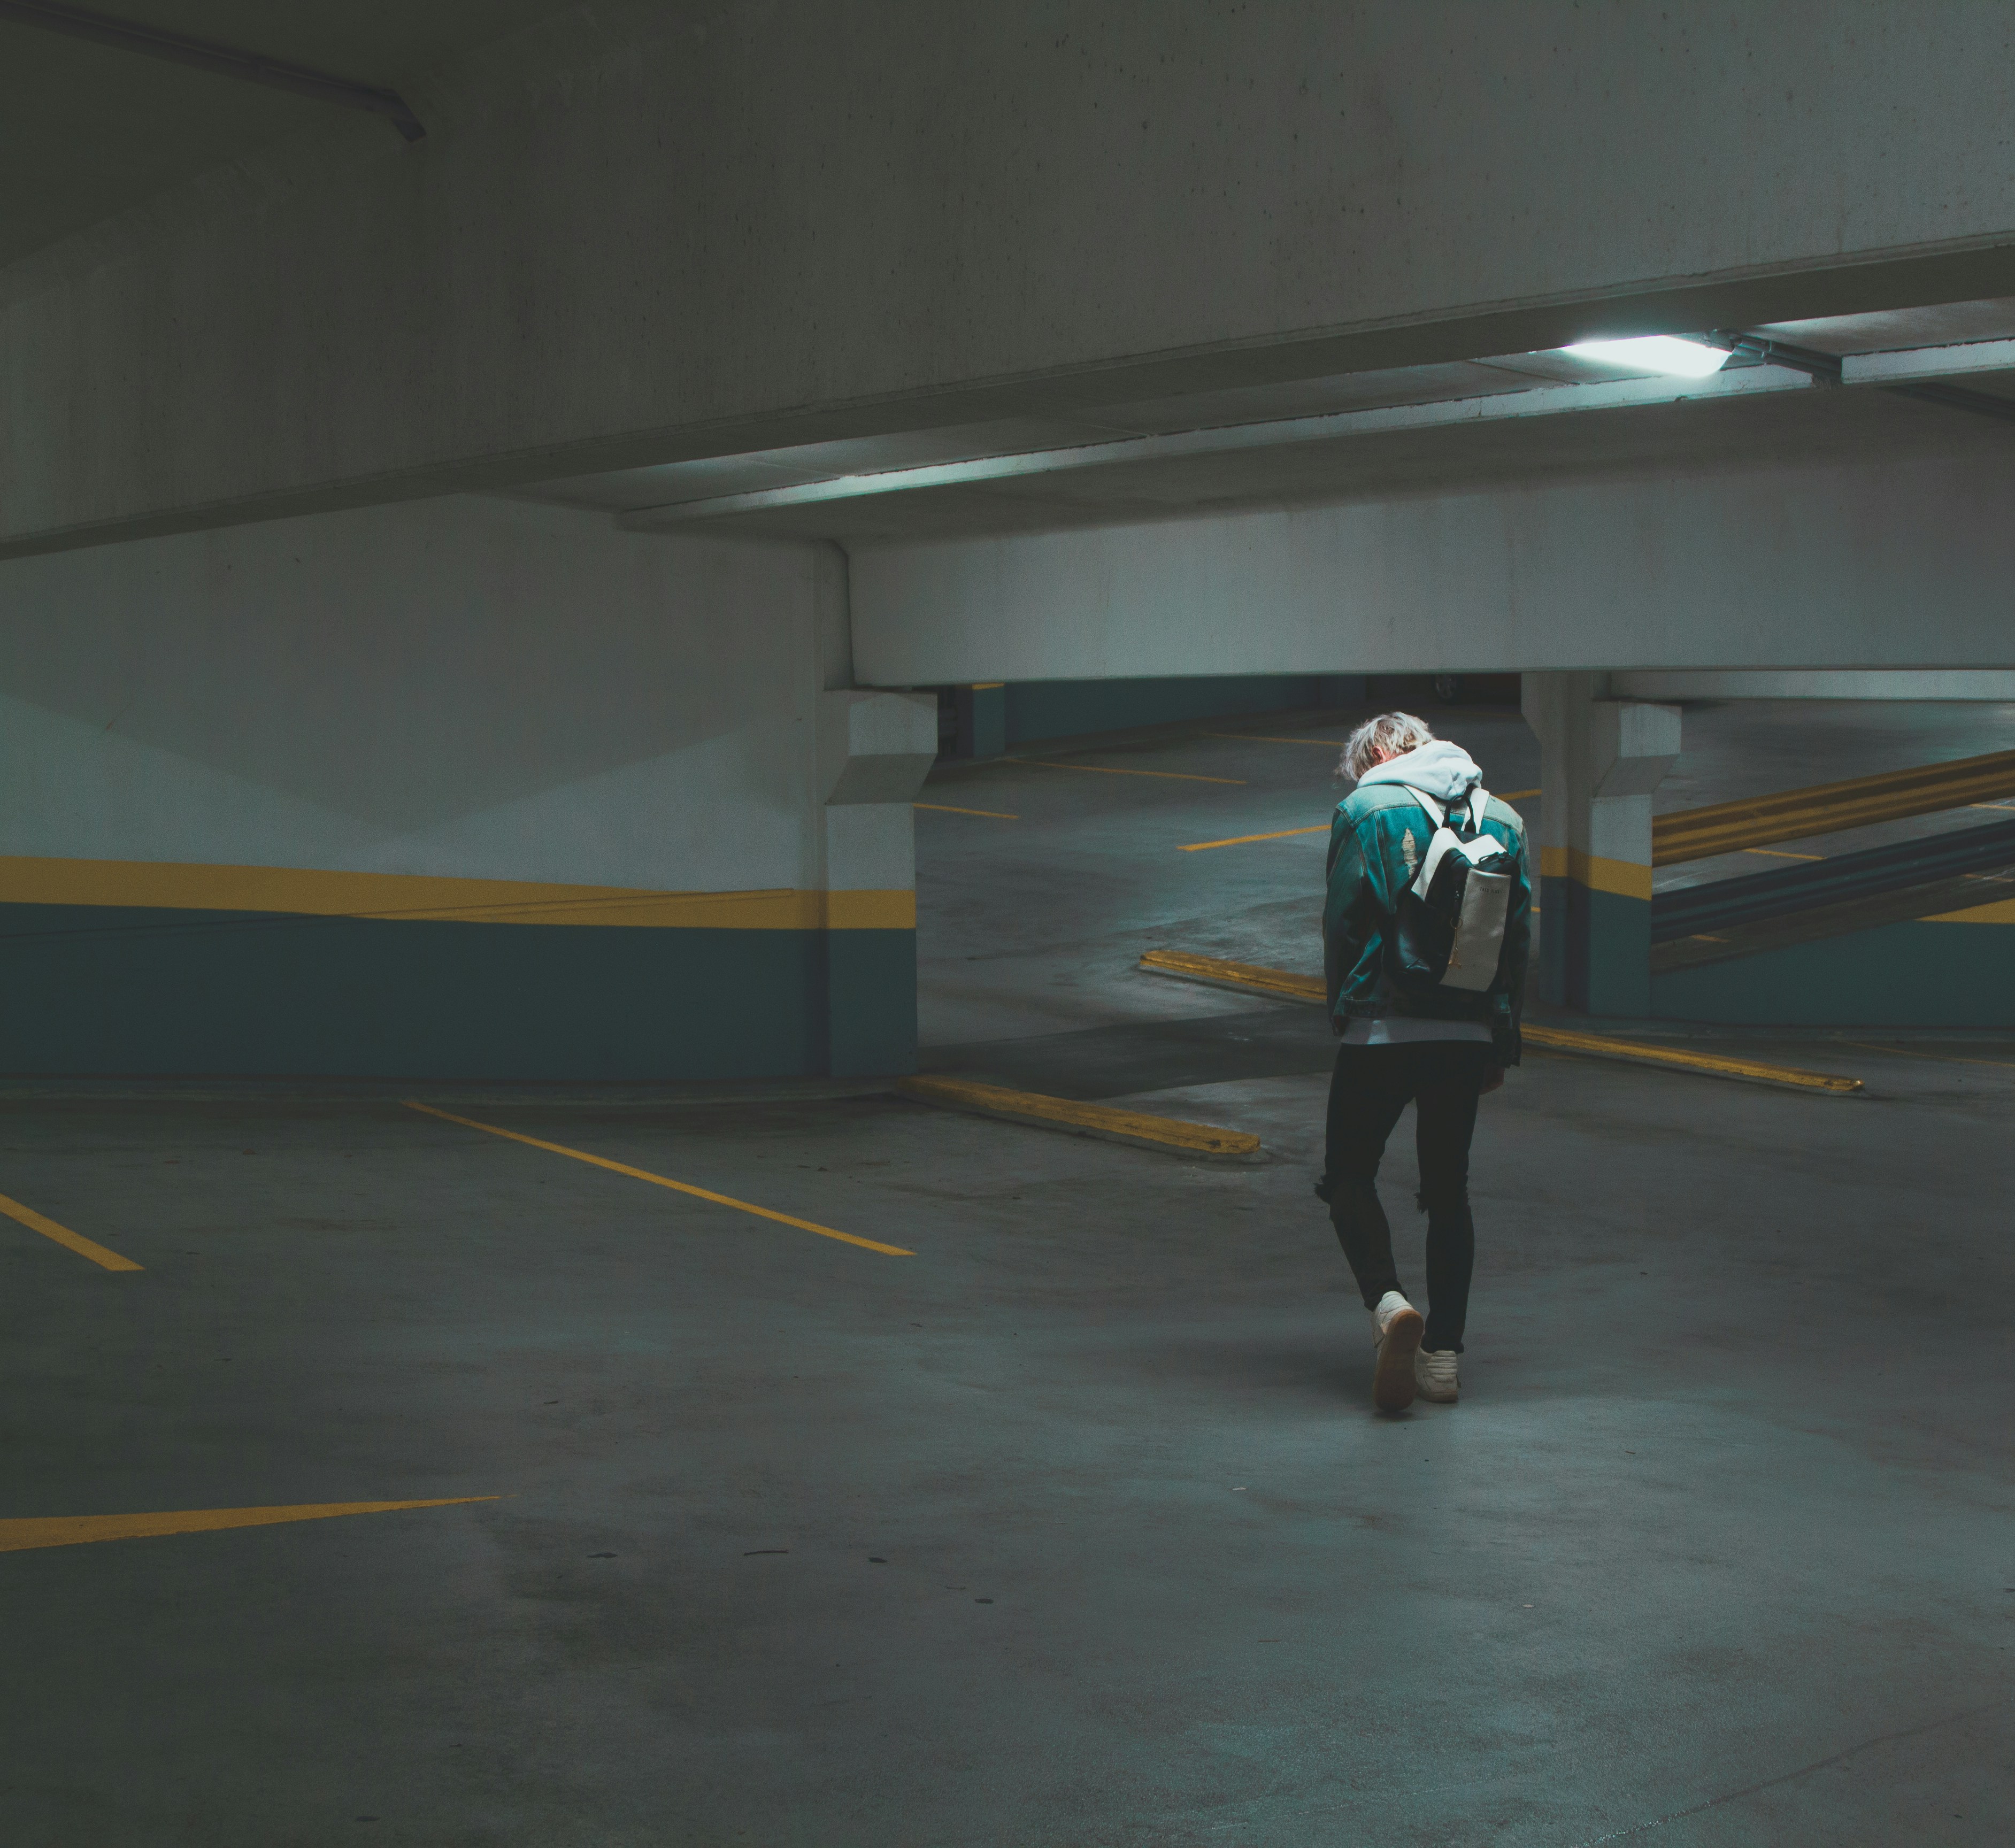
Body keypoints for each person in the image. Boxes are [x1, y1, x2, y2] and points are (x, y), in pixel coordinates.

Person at [1318, 711, 1531, 1412]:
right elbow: (1516, 940)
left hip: (1381, 1027)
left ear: (1378, 750)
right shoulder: (1503, 818)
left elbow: (1346, 918)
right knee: (1448, 1192)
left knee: (1349, 1173)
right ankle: (1443, 1359)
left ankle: (1387, 1306)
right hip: (1463, 1035)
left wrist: (1344, 1008)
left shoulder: (1366, 808)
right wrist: (1499, 1038)